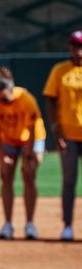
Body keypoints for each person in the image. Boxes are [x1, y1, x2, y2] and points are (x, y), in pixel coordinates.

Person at [0, 68, 45, 240]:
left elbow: (32, 129)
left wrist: (29, 156)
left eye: (4, 98)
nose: (0, 101)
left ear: (10, 90)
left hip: (31, 138)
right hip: (8, 139)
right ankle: (7, 224)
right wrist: (1, 156)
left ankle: (30, 224)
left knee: (29, 175)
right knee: (6, 176)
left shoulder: (25, 99)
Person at [43, 30, 82, 242]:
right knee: (69, 181)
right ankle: (67, 225)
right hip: (68, 134)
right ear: (70, 46)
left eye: (81, 45)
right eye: (75, 45)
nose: (78, 50)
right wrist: (56, 131)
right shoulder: (60, 70)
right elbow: (50, 99)